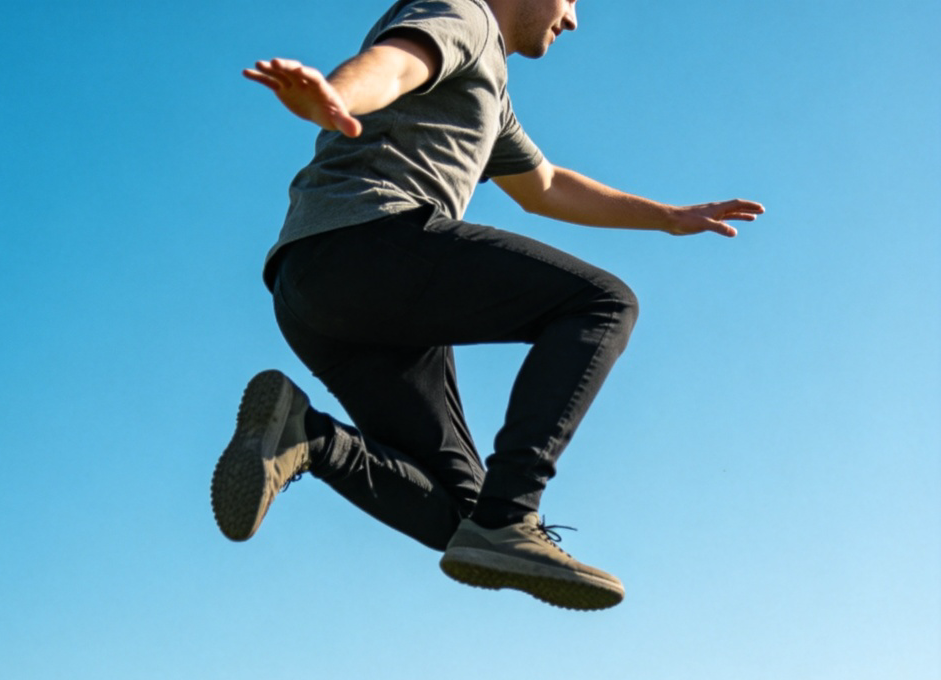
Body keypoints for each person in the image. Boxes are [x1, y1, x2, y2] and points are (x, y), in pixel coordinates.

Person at [211, 0, 763, 610]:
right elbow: (397, 63)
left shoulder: (490, 92)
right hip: (367, 244)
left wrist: (669, 218)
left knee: (462, 521)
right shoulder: (463, 14)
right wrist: (334, 96)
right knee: (604, 304)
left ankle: (308, 435)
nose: (573, 19)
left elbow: (545, 185)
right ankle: (513, 514)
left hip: (316, 294)